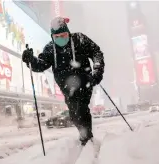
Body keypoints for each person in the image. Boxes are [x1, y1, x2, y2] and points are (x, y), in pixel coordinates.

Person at [22, 17, 105, 145]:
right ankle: (85, 134)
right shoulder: (50, 49)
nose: (61, 39)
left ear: (69, 32)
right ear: (52, 37)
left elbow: (96, 52)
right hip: (67, 87)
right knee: (74, 114)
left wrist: (97, 69)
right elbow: (41, 64)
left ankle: (86, 137)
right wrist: (31, 60)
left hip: (85, 82)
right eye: (57, 37)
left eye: (64, 35)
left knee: (81, 108)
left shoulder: (80, 40)